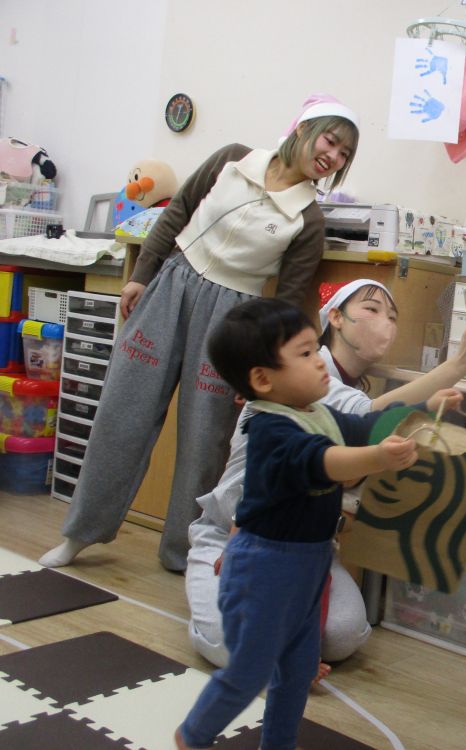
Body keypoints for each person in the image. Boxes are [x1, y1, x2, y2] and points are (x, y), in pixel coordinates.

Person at [40, 94, 361, 571]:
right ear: (303, 129)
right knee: (122, 410)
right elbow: (177, 211)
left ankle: (183, 552)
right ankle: (80, 533)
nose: (332, 156)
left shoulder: (308, 218)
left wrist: (266, 371)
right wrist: (142, 275)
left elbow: (288, 300)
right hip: (171, 286)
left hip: (232, 320)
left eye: (343, 154)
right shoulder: (232, 160)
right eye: (330, 141)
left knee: (205, 442)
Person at [174, 297, 462, 750]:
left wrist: (424, 408)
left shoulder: (317, 411)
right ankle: (193, 735)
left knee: (297, 671)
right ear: (263, 379)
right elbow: (323, 460)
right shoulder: (270, 429)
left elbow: (365, 424)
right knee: (249, 670)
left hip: (309, 565)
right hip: (263, 566)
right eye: (306, 354)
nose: (319, 361)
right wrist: (377, 458)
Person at [185, 277, 466, 670]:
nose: (385, 322)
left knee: (341, 634)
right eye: (371, 309)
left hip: (304, 547)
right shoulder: (288, 393)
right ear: (335, 317)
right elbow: (360, 423)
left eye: (393, 316)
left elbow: (367, 420)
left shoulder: (326, 391)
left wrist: (424, 408)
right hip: (236, 541)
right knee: (235, 645)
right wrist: (458, 366)